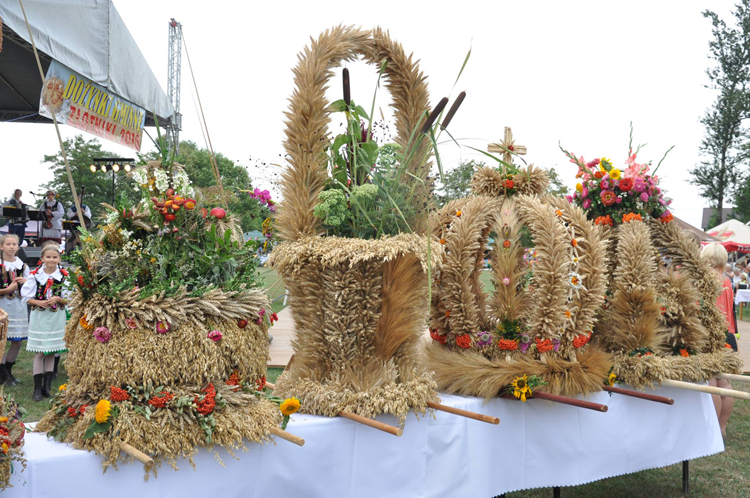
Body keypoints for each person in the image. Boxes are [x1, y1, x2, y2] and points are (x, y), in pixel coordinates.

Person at [21, 242, 69, 401]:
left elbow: (70, 299)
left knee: (52, 351)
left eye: (54, 257)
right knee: (40, 351)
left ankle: (47, 387)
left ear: (59, 258)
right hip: (40, 317)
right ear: (42, 258)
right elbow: (26, 297)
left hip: (56, 317)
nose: (51, 260)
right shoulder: (35, 275)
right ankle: (37, 388)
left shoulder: (64, 275)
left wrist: (58, 298)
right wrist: (38, 302)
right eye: (48, 257)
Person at [701, 242, 737, 437]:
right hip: (727, 335)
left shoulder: (705, 280)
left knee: (711, 383)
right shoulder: (727, 280)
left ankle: (713, 431)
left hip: (710, 335)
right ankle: (722, 427)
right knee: (725, 383)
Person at [0, 234, 29, 386]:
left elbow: (33, 288)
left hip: (19, 307)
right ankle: (3, 374)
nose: (11, 247)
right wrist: (7, 289)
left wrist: (26, 282)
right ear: (1, 246)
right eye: (8, 244)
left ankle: (8, 372)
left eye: (14, 244)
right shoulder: (0, 265)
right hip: (2, 307)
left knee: (17, 342)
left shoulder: (22, 265)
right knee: (2, 341)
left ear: (18, 247)